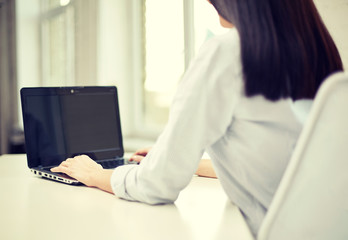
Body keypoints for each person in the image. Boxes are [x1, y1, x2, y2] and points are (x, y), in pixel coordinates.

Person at [51, 0, 343, 236]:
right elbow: (287, 163)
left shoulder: (228, 51)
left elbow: (158, 185)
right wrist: (181, 157)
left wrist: (96, 174)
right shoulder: (316, 53)